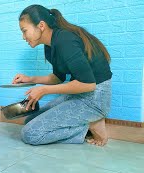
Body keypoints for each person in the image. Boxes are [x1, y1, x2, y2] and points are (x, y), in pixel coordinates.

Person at [12, 5, 112, 146]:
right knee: (30, 120)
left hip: (95, 97)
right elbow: (58, 78)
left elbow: (89, 84)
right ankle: (87, 120)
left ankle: (89, 125)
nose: (23, 37)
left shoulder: (65, 40)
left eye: (24, 31)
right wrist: (31, 79)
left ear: (41, 25)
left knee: (30, 134)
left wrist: (44, 90)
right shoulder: (50, 45)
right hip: (80, 93)